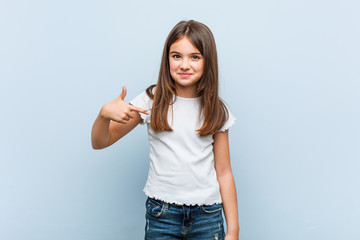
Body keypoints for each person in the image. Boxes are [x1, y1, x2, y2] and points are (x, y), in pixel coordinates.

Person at [91, 20, 239, 240]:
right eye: (176, 56)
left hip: (208, 215)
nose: (184, 64)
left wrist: (233, 230)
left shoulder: (217, 109)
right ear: (167, 59)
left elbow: (224, 172)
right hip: (162, 215)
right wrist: (103, 116)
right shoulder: (151, 100)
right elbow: (100, 142)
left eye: (195, 57)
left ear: (208, 61)